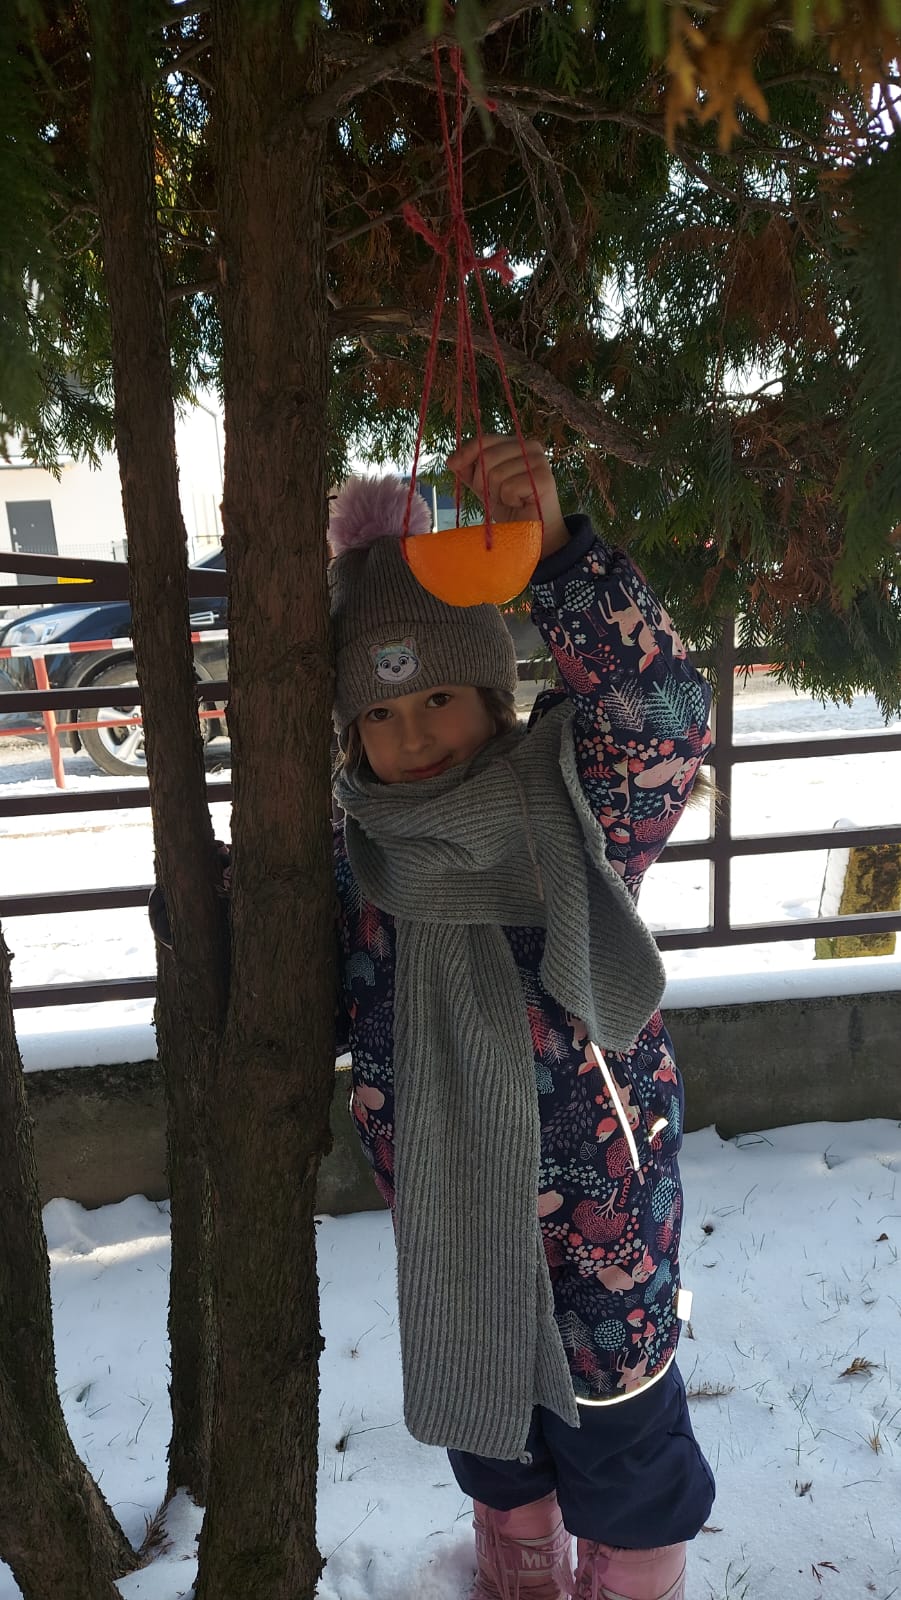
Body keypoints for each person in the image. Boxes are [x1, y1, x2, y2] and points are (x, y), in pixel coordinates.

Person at [329, 436, 716, 1600]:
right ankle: (517, 1566)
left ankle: (633, 1577)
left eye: (437, 697)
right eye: (380, 712)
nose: (411, 735)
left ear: (493, 694)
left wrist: (557, 562)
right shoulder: (357, 858)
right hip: (453, 1220)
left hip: (601, 1221)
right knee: (492, 1431)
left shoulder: (572, 796)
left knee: (623, 1437)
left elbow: (662, 716)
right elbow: (292, 983)